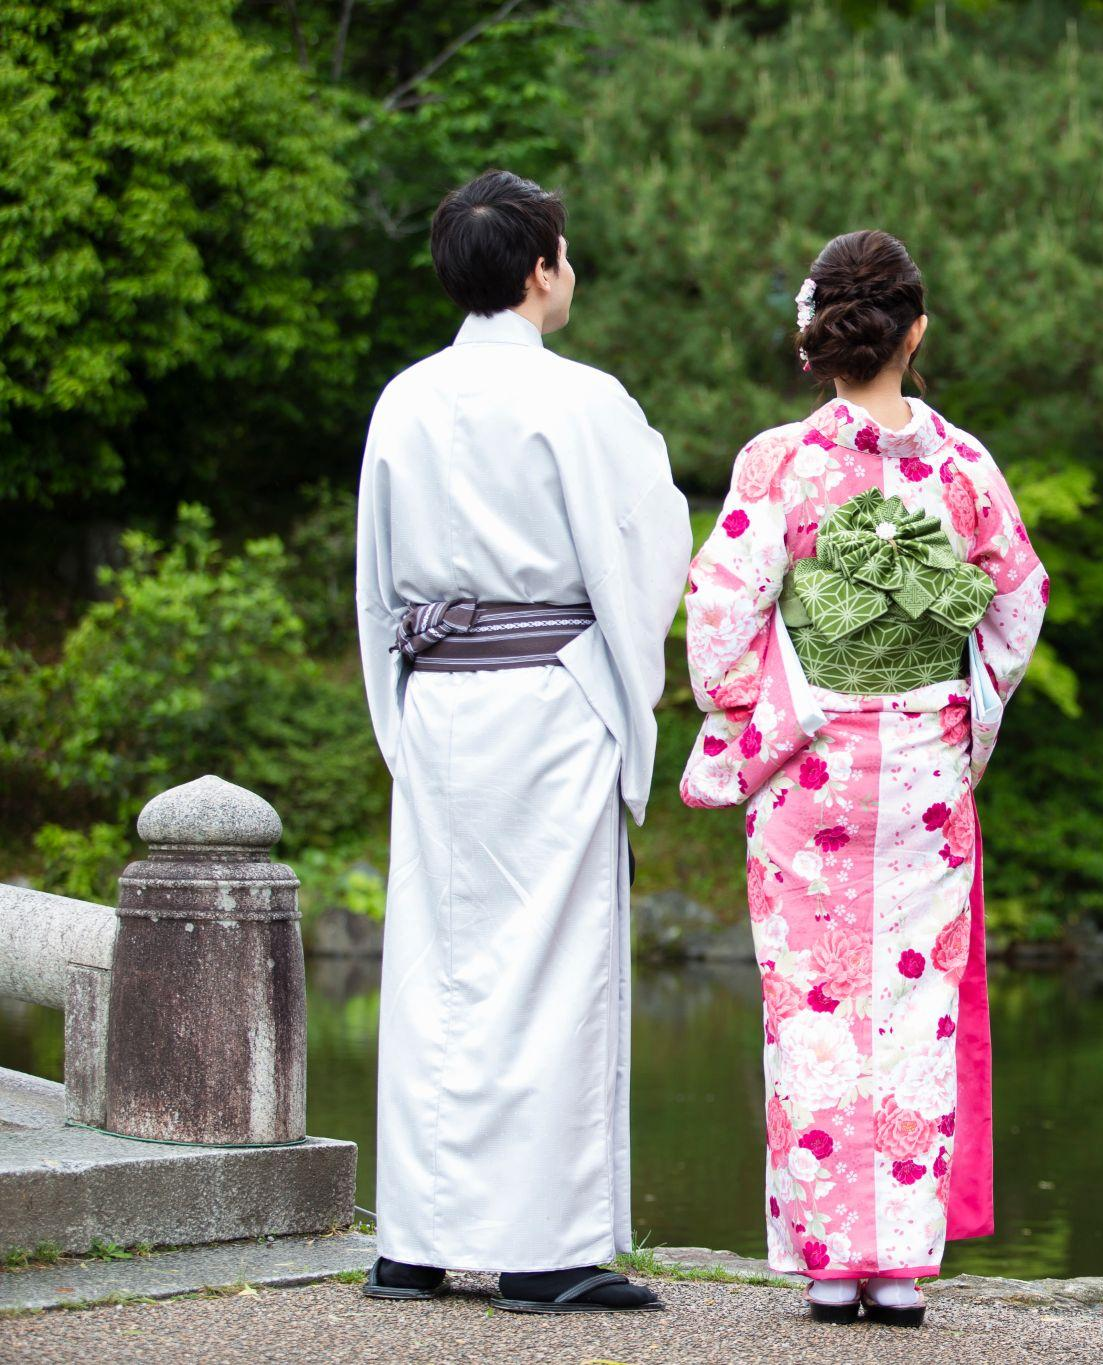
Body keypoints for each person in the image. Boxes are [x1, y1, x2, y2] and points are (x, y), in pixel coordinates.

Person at [680, 230, 1048, 1327]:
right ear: (915, 331)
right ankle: (899, 1269)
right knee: (913, 1005)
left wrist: (780, 707)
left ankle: (829, 1266)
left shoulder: (777, 464)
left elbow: (718, 619)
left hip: (811, 770)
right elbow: (1017, 603)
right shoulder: (962, 464)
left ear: (815, 338)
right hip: (926, 771)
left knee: (813, 1006)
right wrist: (957, 719)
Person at [354, 170, 691, 1313]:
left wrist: (394, 707)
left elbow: (371, 577)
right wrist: (623, 674)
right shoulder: (584, 402)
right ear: (542, 268)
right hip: (548, 699)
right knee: (551, 964)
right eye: (566, 251)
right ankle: (544, 1249)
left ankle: (416, 1236)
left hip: (440, 699)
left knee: (438, 964)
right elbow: (643, 549)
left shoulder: (403, 398)